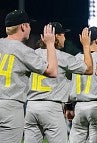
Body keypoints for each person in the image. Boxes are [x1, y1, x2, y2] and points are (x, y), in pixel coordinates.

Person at [24, 26, 93, 143]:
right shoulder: (61, 56)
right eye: (63, 35)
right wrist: (86, 46)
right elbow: (89, 69)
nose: (64, 39)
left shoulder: (32, 54)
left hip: (31, 107)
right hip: (51, 108)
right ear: (55, 36)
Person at [0, 10, 58, 143]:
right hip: (10, 106)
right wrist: (50, 44)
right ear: (22, 27)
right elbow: (52, 71)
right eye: (29, 25)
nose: (30, 28)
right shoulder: (23, 50)